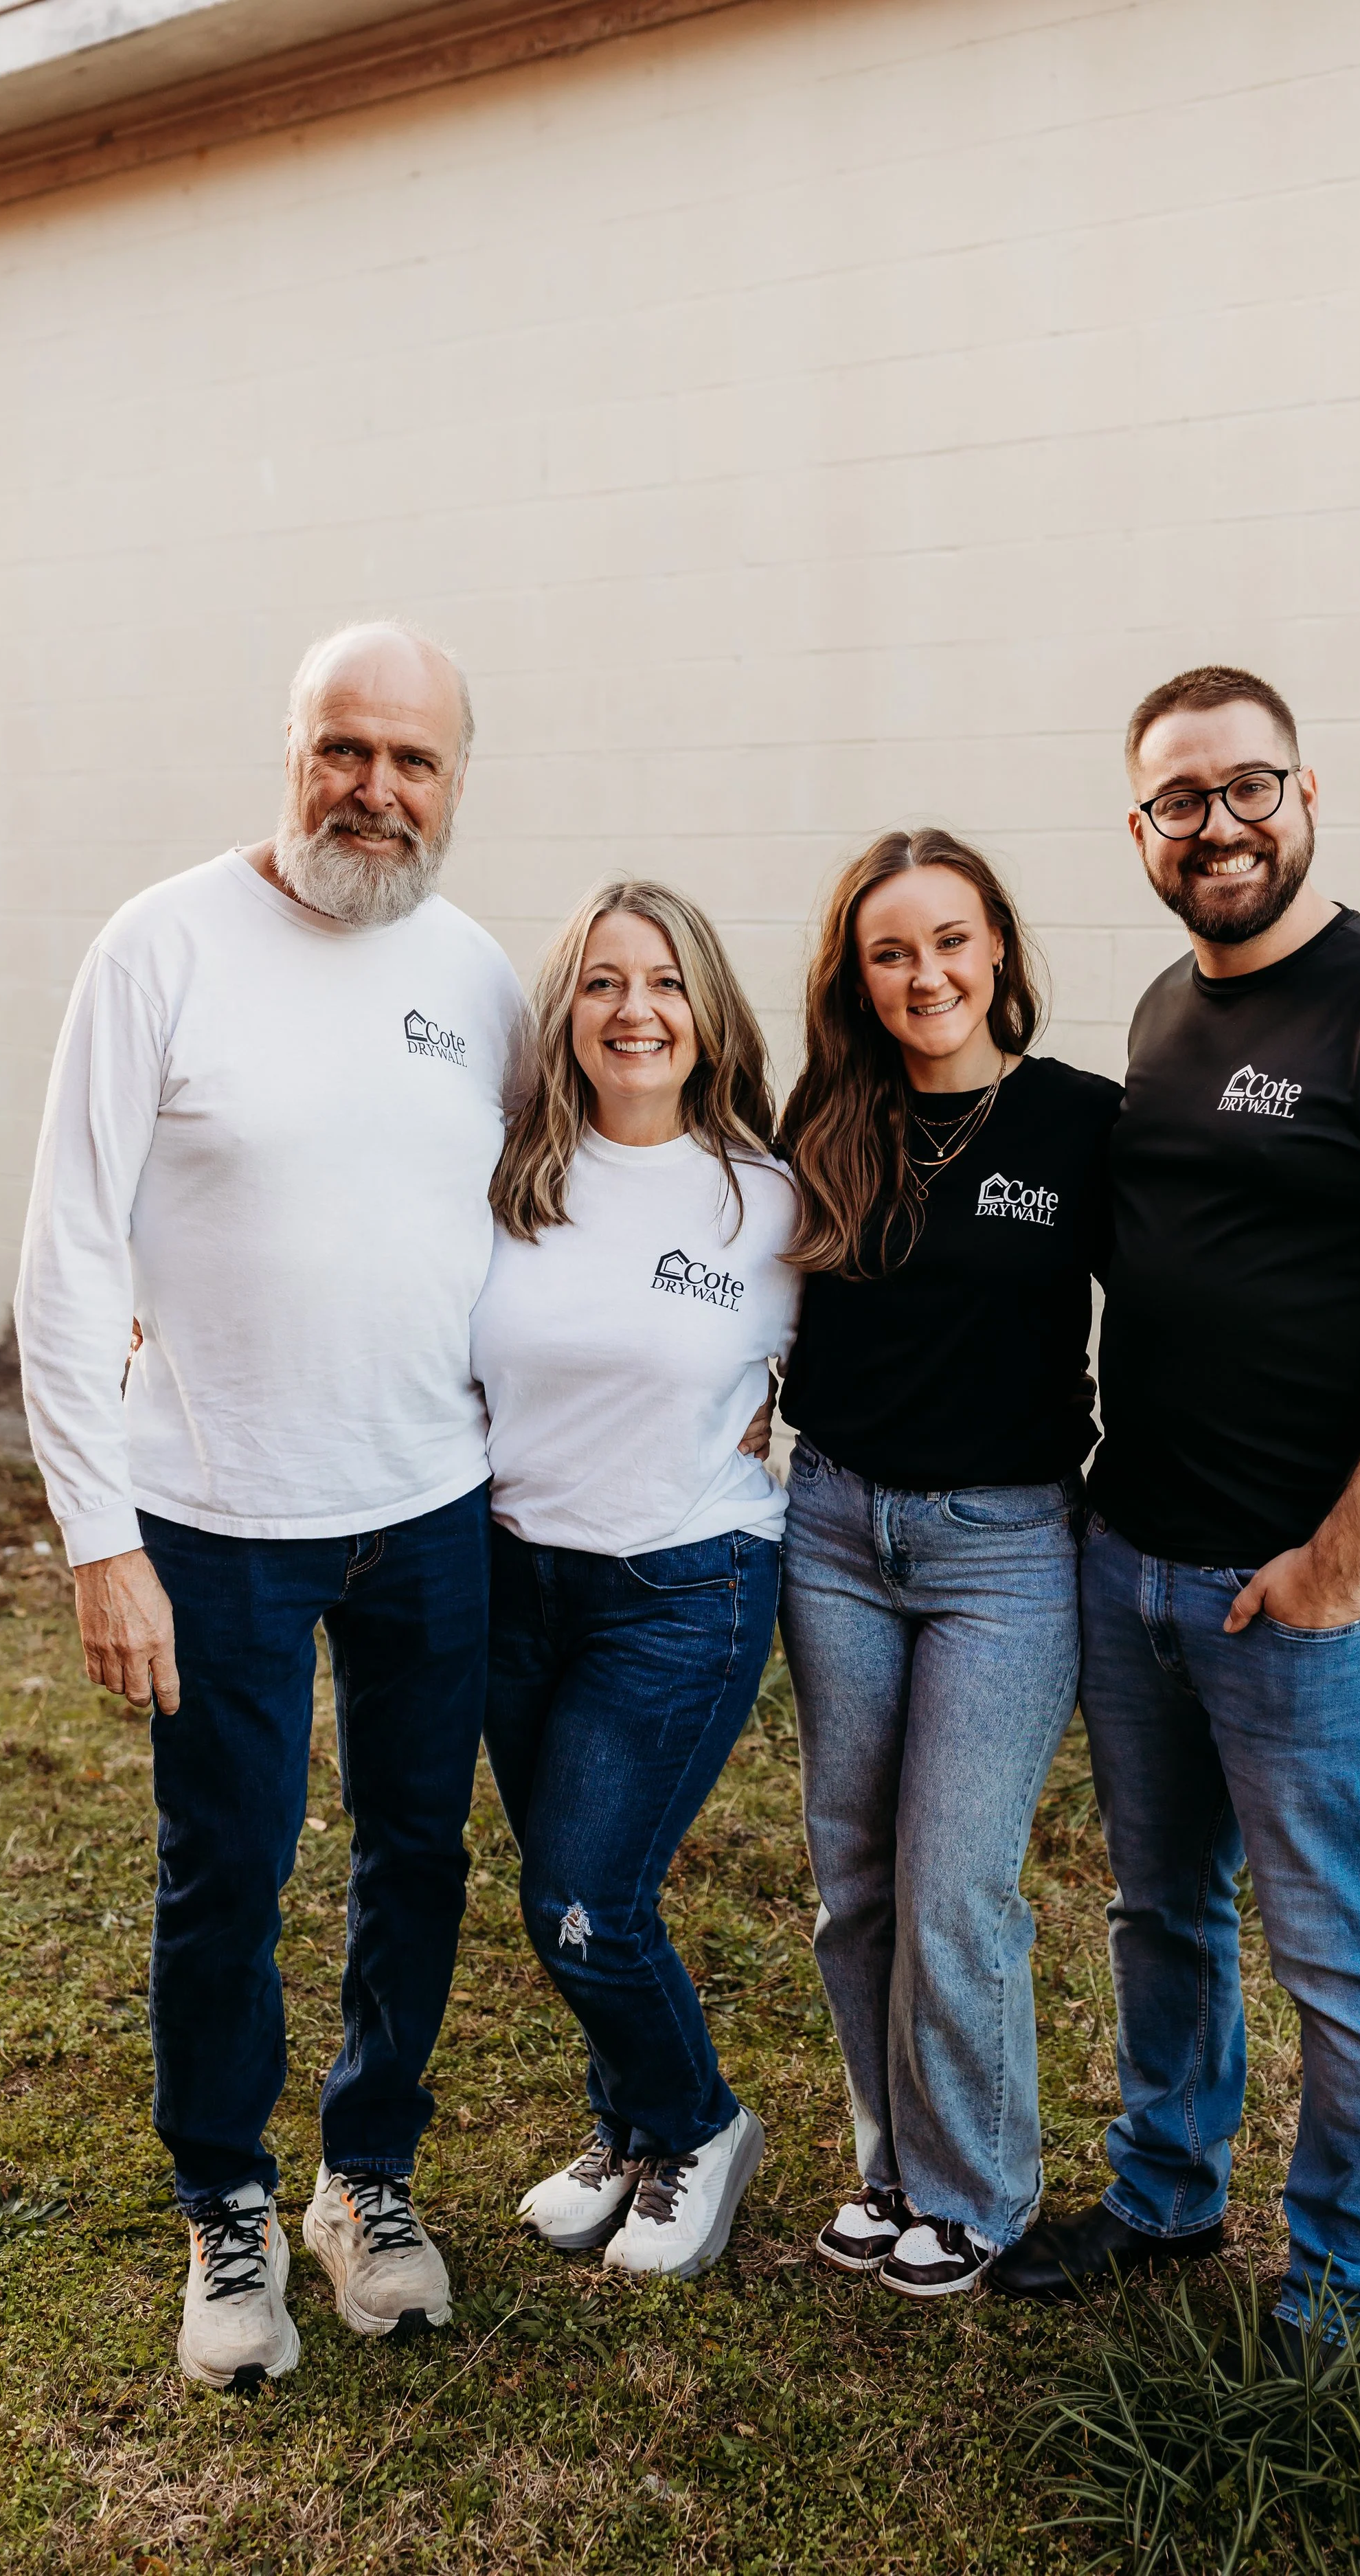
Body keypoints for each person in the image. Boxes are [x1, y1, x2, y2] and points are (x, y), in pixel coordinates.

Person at [14, 622, 528, 2389]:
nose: (375, 790)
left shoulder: (477, 975)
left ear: (457, 783)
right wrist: (98, 1535)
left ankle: (363, 2177)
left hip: (433, 1506)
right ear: (293, 752)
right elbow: (71, 1249)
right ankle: (226, 2202)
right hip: (215, 1516)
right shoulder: (159, 946)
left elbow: (542, 1217)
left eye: (414, 762)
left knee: (419, 1857)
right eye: (344, 750)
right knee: (225, 1869)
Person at [992, 666, 1360, 2359]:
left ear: (1305, 796)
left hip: (1306, 1595)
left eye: (1246, 788)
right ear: (1136, 828)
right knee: (1158, 1909)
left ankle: (1349, 2288)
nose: (1214, 825)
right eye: (1177, 800)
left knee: (1341, 1953)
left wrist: (1338, 1559)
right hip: (1131, 1558)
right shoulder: (1163, 1007)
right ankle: (1164, 2192)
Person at [776, 829, 1121, 2296]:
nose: (926, 974)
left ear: (998, 953)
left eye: (950, 941)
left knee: (953, 1886)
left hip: (1005, 1550)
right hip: (837, 1532)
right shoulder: (825, 1117)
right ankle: (891, 2166)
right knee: (852, 1880)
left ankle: (976, 2192)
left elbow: (1184, 1308)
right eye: (890, 951)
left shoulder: (1079, 1124)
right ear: (857, 979)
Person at [475, 880, 797, 2282]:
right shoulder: (505, 1179)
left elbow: (860, 1360)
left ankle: (700, 2124)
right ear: (566, 1016)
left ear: (707, 1012)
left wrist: (787, 1416)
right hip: (510, 1581)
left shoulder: (768, 1201)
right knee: (563, 1893)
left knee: (583, 1898)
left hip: (682, 1586)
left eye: (663, 981)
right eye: (602, 983)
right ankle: (624, 2129)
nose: (634, 1009)